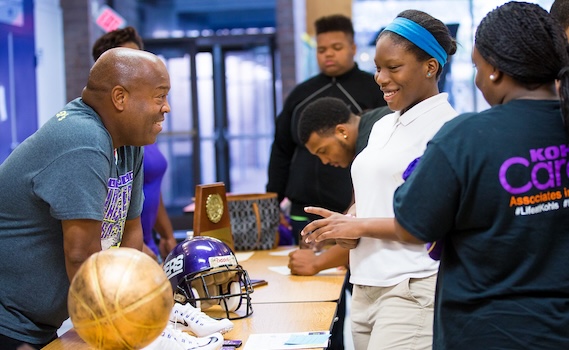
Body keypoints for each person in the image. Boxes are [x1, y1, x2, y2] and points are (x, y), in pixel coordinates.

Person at [392, 2, 569, 348]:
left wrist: (420, 176)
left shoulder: (464, 137)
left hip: (485, 332)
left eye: (477, 65)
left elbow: (410, 226)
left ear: (494, 71)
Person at [301, 10, 458, 350]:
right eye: (377, 67)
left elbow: (428, 222)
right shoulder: (384, 125)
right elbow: (375, 196)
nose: (381, 77)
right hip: (365, 284)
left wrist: (356, 227)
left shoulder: (446, 129)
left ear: (430, 67)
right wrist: (345, 223)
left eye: (393, 67)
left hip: (411, 287)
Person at [0, 48, 171, 349]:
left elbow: (131, 242)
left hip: (38, 323)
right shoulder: (83, 139)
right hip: (9, 323)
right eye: (159, 96)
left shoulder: (129, 142)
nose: (166, 108)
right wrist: (122, 328)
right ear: (120, 98)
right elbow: (81, 256)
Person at [266, 14, 386, 246]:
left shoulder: (376, 88)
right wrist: (273, 203)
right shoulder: (300, 95)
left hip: (356, 208)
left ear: (352, 48)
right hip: (304, 208)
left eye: (336, 47)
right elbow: (281, 150)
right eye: (321, 50)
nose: (328, 54)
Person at [92, 27, 178, 262]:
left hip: (143, 243)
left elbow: (148, 189)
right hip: (121, 254)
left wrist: (167, 235)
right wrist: (134, 251)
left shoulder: (140, 133)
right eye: (128, 65)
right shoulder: (98, 138)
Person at [288, 97, 391, 276]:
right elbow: (358, 212)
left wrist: (316, 263)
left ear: (342, 131)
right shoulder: (371, 126)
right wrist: (331, 233)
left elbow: (366, 225)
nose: (325, 161)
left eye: (323, 151)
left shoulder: (374, 142)